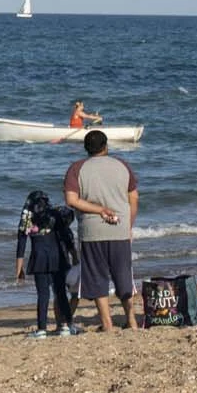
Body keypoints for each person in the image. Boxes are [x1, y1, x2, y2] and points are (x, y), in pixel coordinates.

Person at [64, 129, 139, 332]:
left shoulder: (77, 168)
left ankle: (107, 324)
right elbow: (134, 198)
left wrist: (98, 209)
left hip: (92, 230)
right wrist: (128, 225)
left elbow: (71, 200)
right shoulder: (122, 165)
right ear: (106, 146)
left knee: (97, 277)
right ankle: (131, 320)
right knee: (123, 275)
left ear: (86, 148)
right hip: (120, 229)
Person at [12, 190, 78, 337]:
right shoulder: (54, 215)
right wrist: (74, 256)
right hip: (57, 258)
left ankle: (42, 329)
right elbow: (66, 237)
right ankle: (67, 326)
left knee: (43, 295)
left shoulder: (27, 218)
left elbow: (21, 245)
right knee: (60, 293)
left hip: (39, 259)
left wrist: (19, 269)